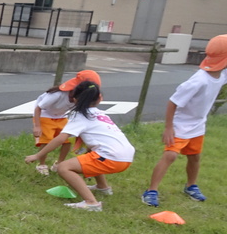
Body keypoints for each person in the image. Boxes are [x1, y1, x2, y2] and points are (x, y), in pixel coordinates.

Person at [141, 34, 227, 206]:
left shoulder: (222, 74)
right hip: (180, 125)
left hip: (198, 125)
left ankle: (191, 186)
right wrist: (168, 127)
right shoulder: (198, 81)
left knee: (195, 157)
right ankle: (151, 190)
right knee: (170, 156)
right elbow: (173, 102)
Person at [24, 80, 134, 211]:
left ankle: (91, 203)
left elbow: (61, 139)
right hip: (127, 156)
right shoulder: (101, 114)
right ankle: (103, 187)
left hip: (112, 158)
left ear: (74, 99)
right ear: (99, 98)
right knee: (90, 155)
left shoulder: (80, 116)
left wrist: (37, 155)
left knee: (64, 168)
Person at [29, 69, 101, 175]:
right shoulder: (57, 94)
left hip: (61, 117)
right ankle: (42, 164)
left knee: (68, 141)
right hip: (44, 116)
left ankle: (59, 163)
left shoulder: (79, 98)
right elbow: (38, 108)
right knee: (46, 140)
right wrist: (37, 126)